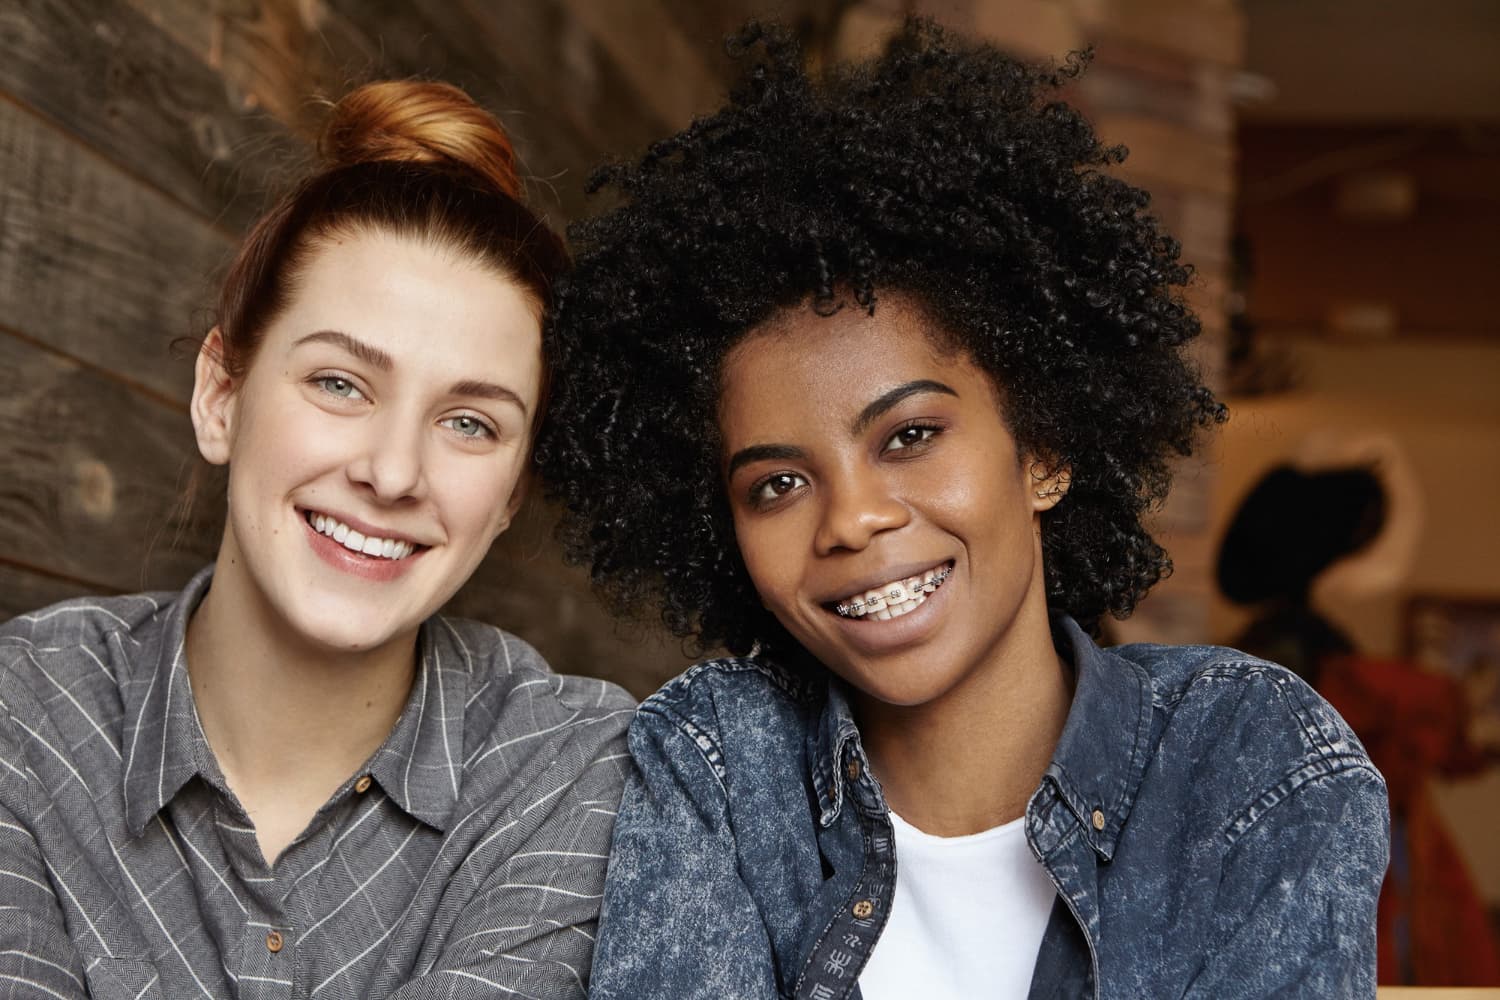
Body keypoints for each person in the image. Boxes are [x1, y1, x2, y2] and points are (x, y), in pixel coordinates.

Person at [534, 20, 1389, 999]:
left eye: (907, 436)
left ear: (1046, 450)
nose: (849, 520)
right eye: (777, 483)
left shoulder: (1243, 755)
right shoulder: (721, 762)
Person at [0, 81, 633, 999]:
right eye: (341, 383)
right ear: (222, 396)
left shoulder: (571, 770)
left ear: (510, 497)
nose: (392, 471)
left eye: (470, 423)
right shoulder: (25, 718)